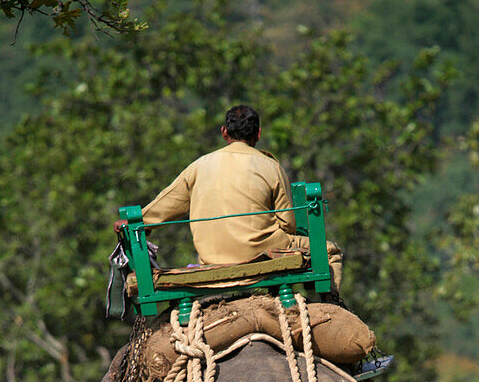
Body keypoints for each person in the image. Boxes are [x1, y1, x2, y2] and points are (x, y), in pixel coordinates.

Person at [142, 104, 343, 292]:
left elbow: (165, 204)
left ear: (224, 132)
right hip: (260, 254)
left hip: (212, 259)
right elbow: (288, 224)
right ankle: (328, 306)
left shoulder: (199, 166)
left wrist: (138, 221)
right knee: (329, 251)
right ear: (258, 134)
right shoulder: (271, 166)